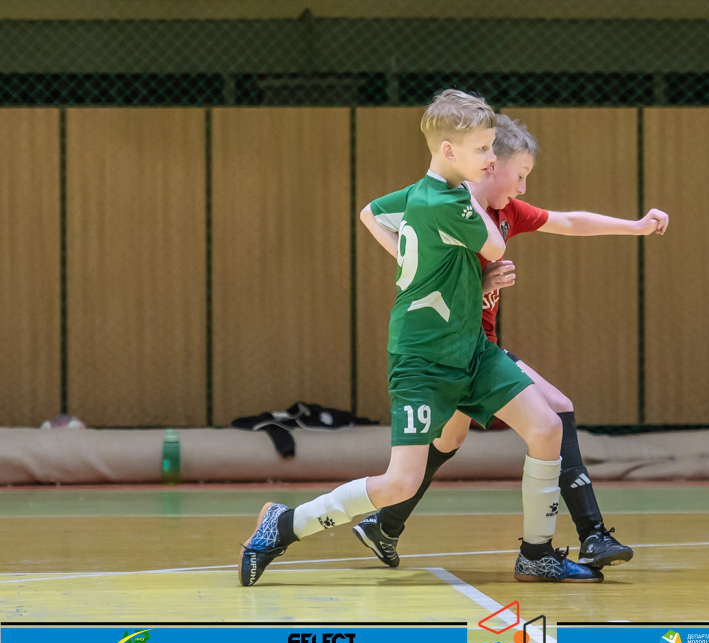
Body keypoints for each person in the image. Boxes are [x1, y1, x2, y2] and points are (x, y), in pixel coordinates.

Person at [238, 90, 601, 586]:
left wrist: (426, 270)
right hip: (423, 358)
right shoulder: (450, 201)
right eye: (482, 150)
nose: (491, 159)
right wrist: (472, 204)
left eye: (491, 148)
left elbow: (371, 213)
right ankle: (285, 524)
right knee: (399, 483)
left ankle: (536, 554)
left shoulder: (419, 194)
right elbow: (495, 245)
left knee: (546, 426)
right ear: (448, 151)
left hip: (470, 348)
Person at [355, 114, 669, 570]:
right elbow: (371, 213)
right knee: (555, 409)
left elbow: (568, 221)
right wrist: (421, 271)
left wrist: (635, 226)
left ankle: (385, 524)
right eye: (519, 175)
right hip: (460, 348)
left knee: (452, 437)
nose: (523, 188)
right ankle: (587, 535)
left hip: (473, 349)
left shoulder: (505, 213)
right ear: (490, 165)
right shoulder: (444, 201)